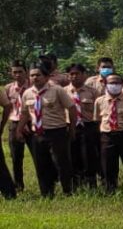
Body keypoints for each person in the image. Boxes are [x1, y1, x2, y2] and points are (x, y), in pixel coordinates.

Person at [20, 64, 78, 197]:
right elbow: (24, 113)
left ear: (46, 77)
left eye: (38, 75)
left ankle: (67, 191)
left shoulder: (57, 90)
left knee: (61, 163)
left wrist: (72, 128)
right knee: (41, 164)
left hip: (57, 132)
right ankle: (46, 193)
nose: (35, 77)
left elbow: (72, 108)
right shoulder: (27, 93)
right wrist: (19, 129)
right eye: (32, 75)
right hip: (38, 134)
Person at [67, 63, 99, 192]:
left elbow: (99, 111)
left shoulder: (93, 92)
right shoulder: (62, 92)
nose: (74, 77)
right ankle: (76, 185)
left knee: (89, 156)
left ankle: (91, 185)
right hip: (69, 127)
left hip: (88, 126)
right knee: (72, 156)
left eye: (77, 74)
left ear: (84, 75)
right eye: (71, 74)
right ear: (68, 76)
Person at [6, 62, 28, 192]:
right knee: (16, 157)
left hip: (31, 124)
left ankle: (46, 186)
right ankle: (19, 186)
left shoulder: (32, 87)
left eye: (20, 71)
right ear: (11, 74)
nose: (18, 75)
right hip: (14, 123)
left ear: (25, 72)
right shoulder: (8, 88)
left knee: (39, 156)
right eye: (15, 72)